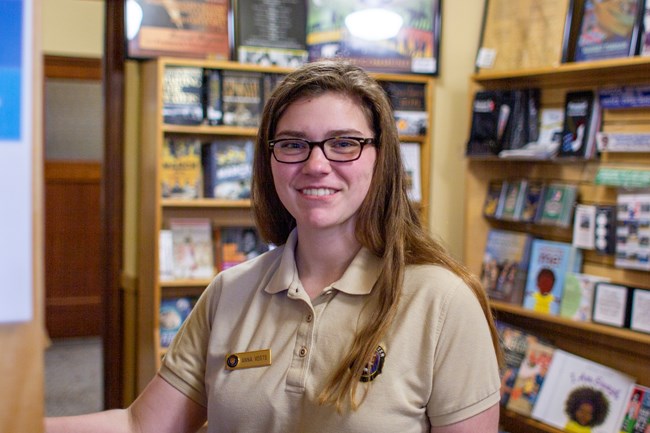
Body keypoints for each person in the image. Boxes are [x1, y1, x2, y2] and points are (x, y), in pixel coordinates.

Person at [46, 60, 502, 433]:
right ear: (270, 160)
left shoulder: (443, 302)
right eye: (293, 144)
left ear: (381, 157)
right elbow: (139, 425)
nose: (316, 164)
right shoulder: (230, 291)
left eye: (344, 143)